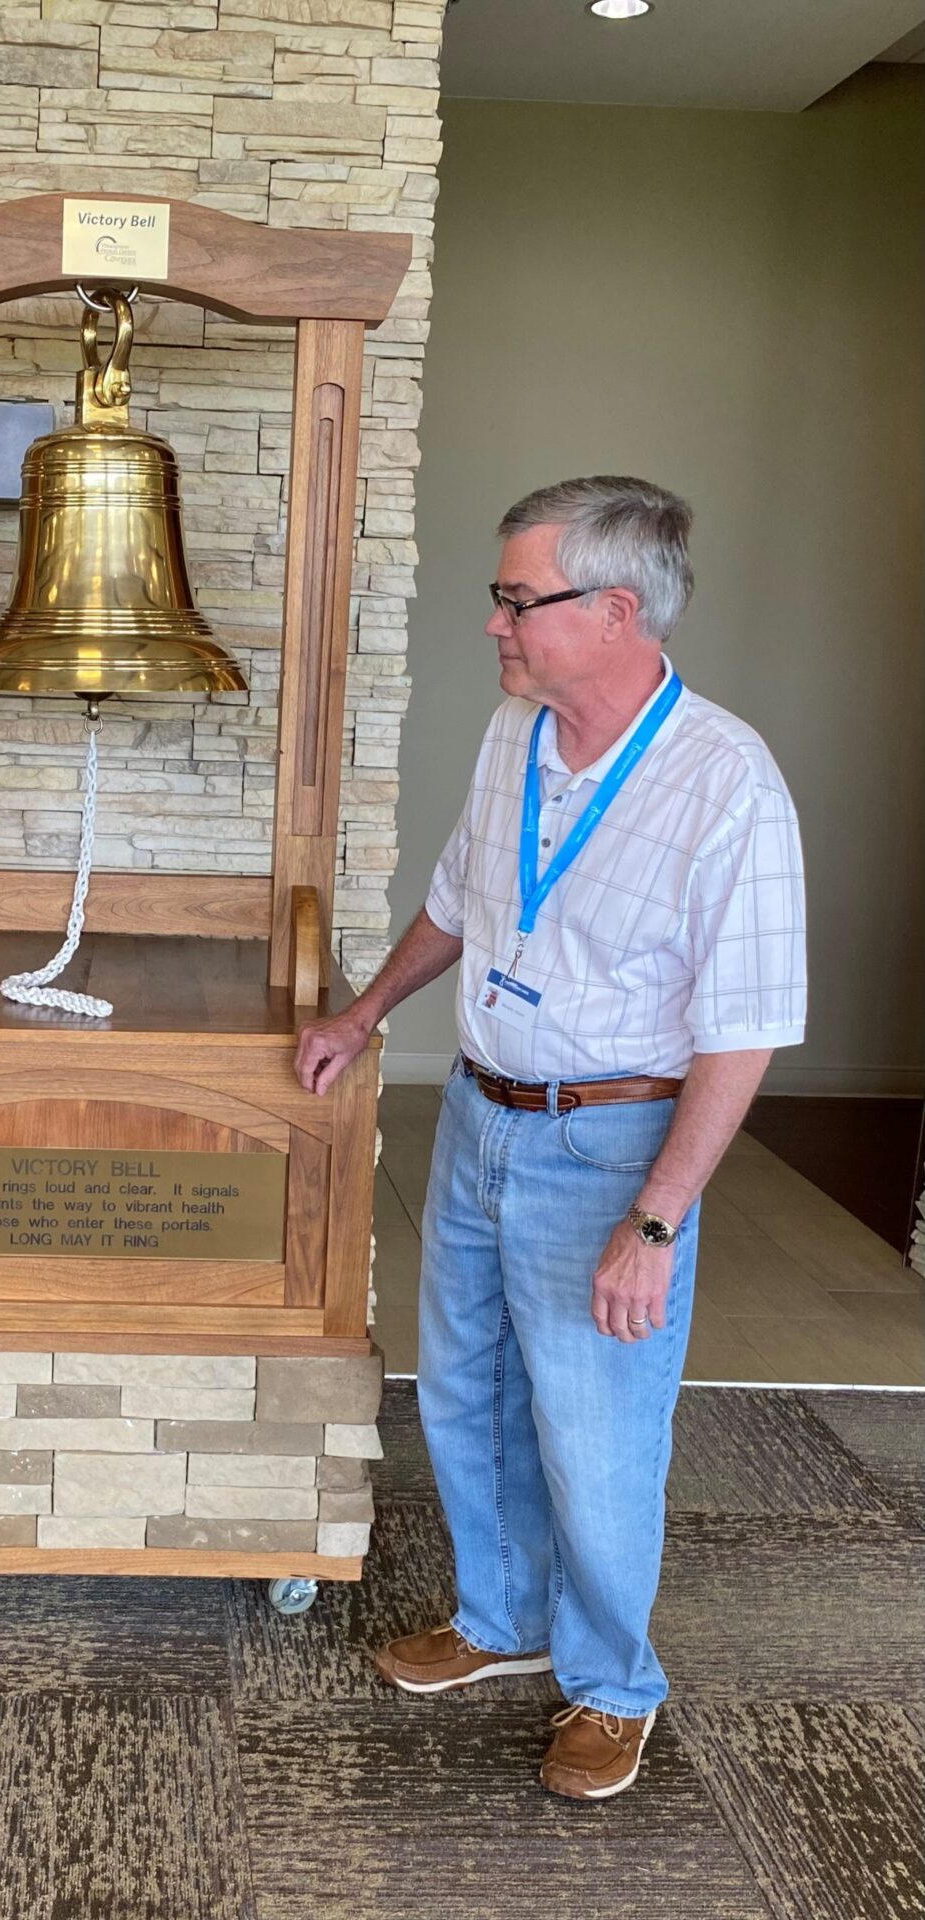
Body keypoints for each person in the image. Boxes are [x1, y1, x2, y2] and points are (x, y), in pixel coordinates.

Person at [294, 475, 806, 1800]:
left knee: (596, 1429)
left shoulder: (726, 786)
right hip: (479, 1115)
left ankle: (613, 1684)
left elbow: (740, 1032)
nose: (496, 626)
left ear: (617, 611)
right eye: (501, 598)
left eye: (519, 601)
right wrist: (365, 1015)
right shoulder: (517, 731)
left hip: (610, 1149)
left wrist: (657, 1219)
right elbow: (463, 900)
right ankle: (500, 1617)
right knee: (466, 1394)